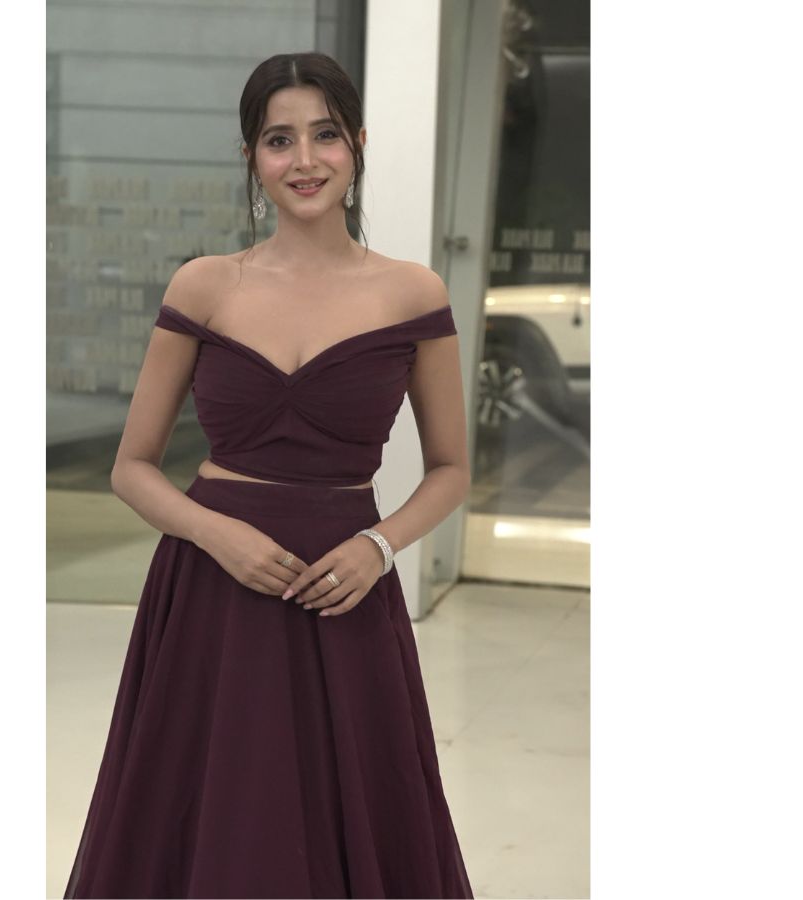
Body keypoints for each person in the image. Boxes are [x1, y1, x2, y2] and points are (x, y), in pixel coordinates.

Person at [64, 51, 474, 899]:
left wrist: (378, 547)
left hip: (343, 592)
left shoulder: (412, 293)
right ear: (251, 157)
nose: (305, 160)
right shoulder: (206, 285)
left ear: (358, 145)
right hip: (211, 594)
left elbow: (450, 468)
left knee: (343, 814)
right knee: (206, 815)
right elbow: (132, 467)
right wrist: (218, 536)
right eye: (279, 140)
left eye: (326, 135)